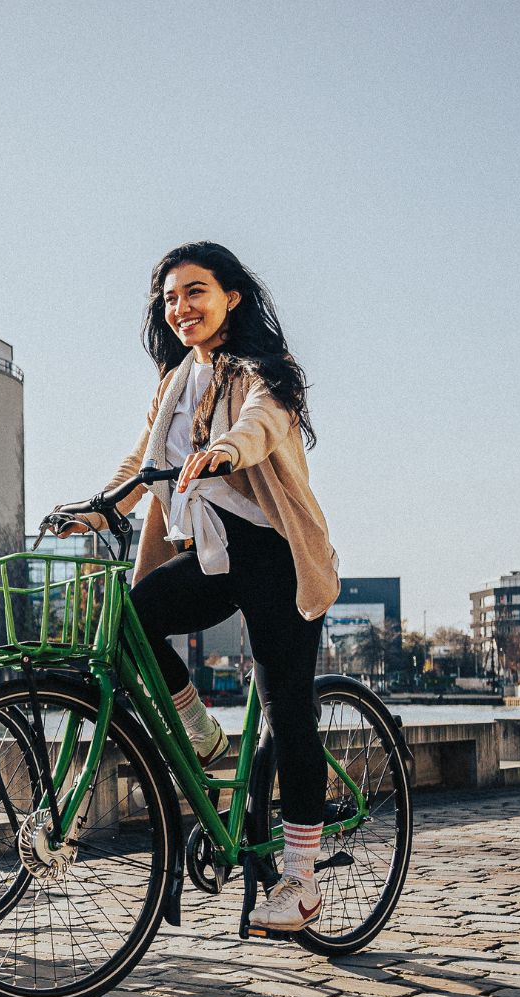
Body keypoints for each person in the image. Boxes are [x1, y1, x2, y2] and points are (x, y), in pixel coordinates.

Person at [61, 242, 340, 932]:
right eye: (170, 298)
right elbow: (144, 461)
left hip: (273, 553)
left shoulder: (265, 372)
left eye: (195, 292)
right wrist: (99, 506)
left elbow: (261, 424)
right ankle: (203, 738)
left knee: (287, 711)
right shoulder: (178, 380)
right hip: (213, 555)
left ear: (231, 297)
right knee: (131, 615)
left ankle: (301, 882)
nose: (180, 308)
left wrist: (227, 450)